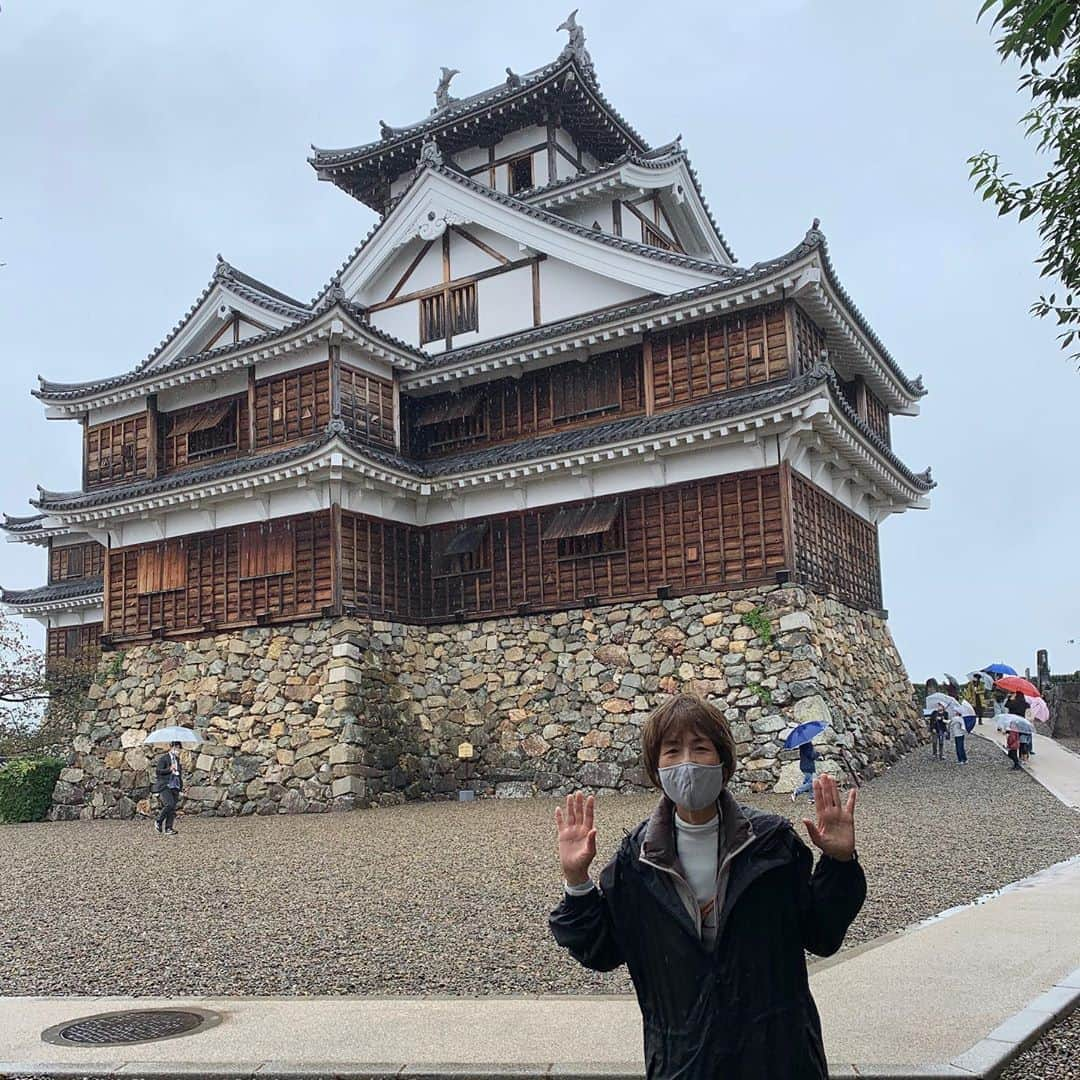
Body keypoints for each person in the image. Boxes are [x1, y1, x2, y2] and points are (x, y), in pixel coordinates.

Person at [549, 693, 864, 1079]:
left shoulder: (771, 843)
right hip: (683, 1059)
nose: (687, 763)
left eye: (700, 748)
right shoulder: (637, 860)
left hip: (779, 1055)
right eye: (672, 751)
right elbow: (601, 951)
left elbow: (822, 934)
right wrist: (577, 880)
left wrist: (839, 862)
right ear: (655, 766)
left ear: (723, 760)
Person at [152, 741, 184, 835]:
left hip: (175, 785)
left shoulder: (177, 760)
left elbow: (179, 774)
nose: (178, 750)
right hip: (165, 785)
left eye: (179, 748)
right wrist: (169, 769)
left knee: (172, 808)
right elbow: (158, 771)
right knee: (169, 804)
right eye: (176, 747)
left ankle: (169, 827)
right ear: (171, 747)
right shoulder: (164, 759)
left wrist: (181, 786)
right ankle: (158, 820)